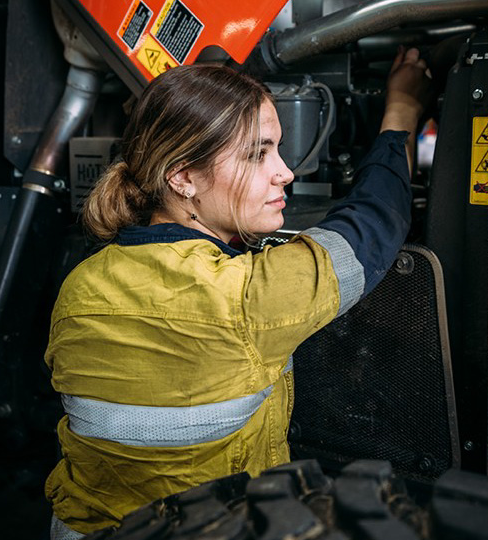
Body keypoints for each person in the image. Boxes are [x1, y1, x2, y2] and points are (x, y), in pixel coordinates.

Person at [45, 47, 431, 539]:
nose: (286, 172)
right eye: (257, 153)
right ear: (183, 176)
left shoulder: (82, 282)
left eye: (278, 149)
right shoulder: (245, 298)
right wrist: (402, 108)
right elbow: (376, 221)